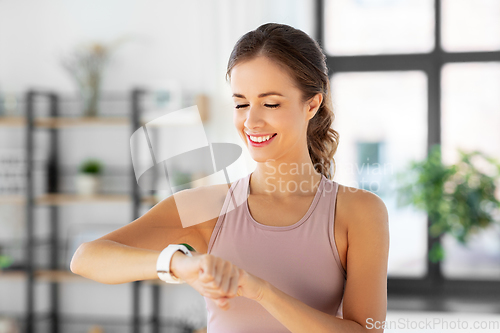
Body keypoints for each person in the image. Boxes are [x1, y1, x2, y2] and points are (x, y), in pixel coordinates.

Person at [70, 23, 389, 332]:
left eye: (270, 103)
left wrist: (262, 292)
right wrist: (179, 264)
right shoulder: (209, 206)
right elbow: (86, 258)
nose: (251, 121)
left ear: (312, 104)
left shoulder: (358, 212)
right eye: (241, 103)